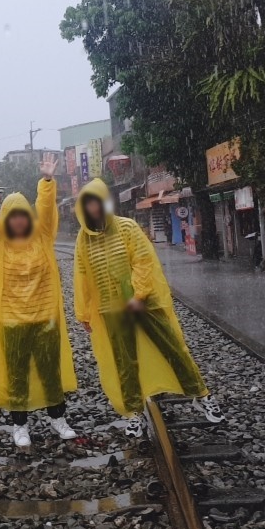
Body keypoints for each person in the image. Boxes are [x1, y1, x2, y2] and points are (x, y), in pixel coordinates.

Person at [72, 179, 222, 437]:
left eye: (96, 202)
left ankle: (201, 395)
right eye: (88, 204)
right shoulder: (83, 240)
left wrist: (138, 295)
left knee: (172, 347)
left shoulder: (127, 227)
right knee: (125, 363)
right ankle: (134, 412)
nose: (93, 208)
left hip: (144, 304)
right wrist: (83, 312)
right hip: (111, 309)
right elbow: (82, 276)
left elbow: (143, 261)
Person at [0, 155, 78, 448]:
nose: (17, 219)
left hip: (45, 317)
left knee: (49, 369)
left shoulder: (43, 237)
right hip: (11, 319)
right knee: (16, 373)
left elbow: (47, 209)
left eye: (22, 214)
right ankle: (20, 425)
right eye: (11, 215)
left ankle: (58, 417)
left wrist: (47, 181)